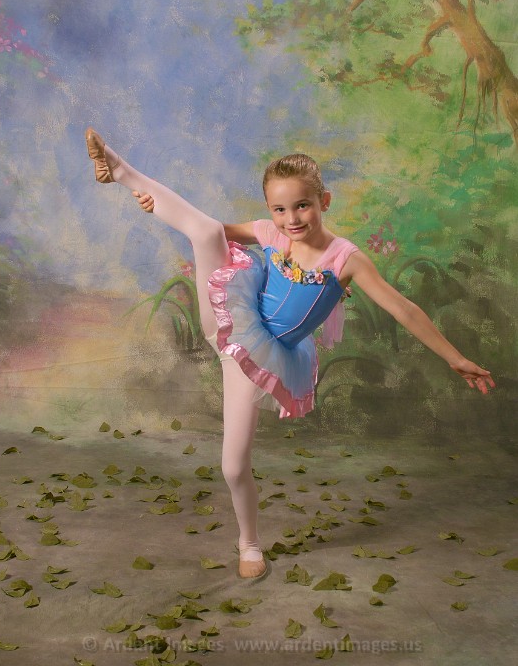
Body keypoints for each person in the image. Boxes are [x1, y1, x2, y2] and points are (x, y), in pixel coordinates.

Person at [85, 127, 495, 580]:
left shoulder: (346, 260)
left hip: (260, 359)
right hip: (229, 319)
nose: (291, 218)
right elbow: (210, 230)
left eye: (302, 205)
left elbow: (403, 309)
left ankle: (248, 543)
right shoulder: (268, 232)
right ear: (269, 209)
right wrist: (156, 206)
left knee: (233, 466)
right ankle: (117, 169)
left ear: (324, 201)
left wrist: (454, 357)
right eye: (279, 209)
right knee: (204, 229)